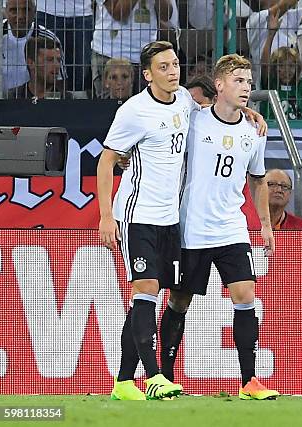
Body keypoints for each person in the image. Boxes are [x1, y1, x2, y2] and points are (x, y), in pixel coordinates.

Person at [159, 54, 280, 401]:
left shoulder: (253, 131)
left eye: (250, 82)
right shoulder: (194, 120)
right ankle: (164, 377)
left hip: (232, 228)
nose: (247, 88)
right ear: (221, 85)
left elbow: (258, 181)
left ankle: (249, 382)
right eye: (240, 81)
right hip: (192, 228)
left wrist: (265, 226)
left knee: (246, 297)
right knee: (179, 300)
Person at [97, 40, 191, 401]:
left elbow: (211, 113)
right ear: (148, 74)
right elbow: (107, 161)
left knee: (145, 298)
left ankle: (123, 382)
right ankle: (154, 377)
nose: (172, 71)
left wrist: (249, 115)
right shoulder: (134, 111)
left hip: (169, 219)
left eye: (175, 64)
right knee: (146, 289)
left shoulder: (183, 100)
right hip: (136, 216)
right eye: (163, 67)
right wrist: (107, 217)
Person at [91, 0, 172, 98]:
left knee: (144, 109)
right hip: (109, 53)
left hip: (145, 56)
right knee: (110, 110)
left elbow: (166, 15)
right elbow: (119, 13)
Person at [260, 16, 302, 120]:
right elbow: (265, 65)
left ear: (297, 68)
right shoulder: (271, 85)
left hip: (299, 134)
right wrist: (271, 34)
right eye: (281, 65)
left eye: (291, 66)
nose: (286, 70)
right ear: (274, 68)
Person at [1, 0, 66, 91]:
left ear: (35, 12)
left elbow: (59, 80)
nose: (20, 16)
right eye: (14, 10)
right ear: (6, 12)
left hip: (33, 100)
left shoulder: (48, 38)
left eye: (26, 10)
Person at [36, 0, 94, 91]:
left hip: (82, 13)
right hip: (47, 11)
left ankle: (79, 102)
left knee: (81, 73)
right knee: (48, 69)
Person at [7, 36, 72, 100]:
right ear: (31, 63)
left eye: (58, 60)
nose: (57, 65)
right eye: (49, 60)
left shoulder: (67, 99)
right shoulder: (12, 97)